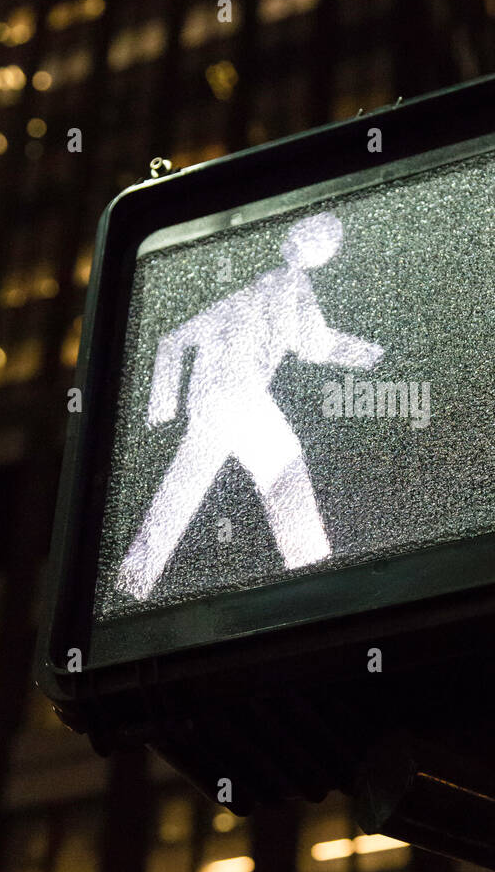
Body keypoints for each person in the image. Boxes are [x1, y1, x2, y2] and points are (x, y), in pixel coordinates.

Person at [116, 211, 384, 601]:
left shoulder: (291, 287)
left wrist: (366, 354)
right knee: (253, 471)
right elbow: (176, 338)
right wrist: (162, 398)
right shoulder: (260, 285)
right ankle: (314, 575)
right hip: (226, 397)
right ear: (301, 239)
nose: (325, 250)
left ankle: (133, 581)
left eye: (330, 245)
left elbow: (314, 342)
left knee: (196, 485)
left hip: (237, 398)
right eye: (322, 241)